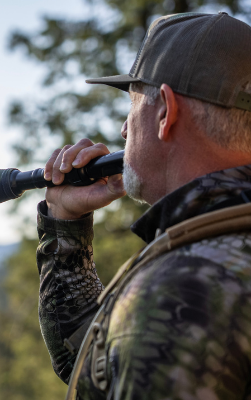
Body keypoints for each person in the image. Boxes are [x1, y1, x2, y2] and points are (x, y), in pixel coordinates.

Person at [34, 12, 251, 397]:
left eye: (133, 106)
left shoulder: (185, 288)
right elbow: (98, 362)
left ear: (165, 112)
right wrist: (66, 219)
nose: (123, 130)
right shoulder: (223, 254)